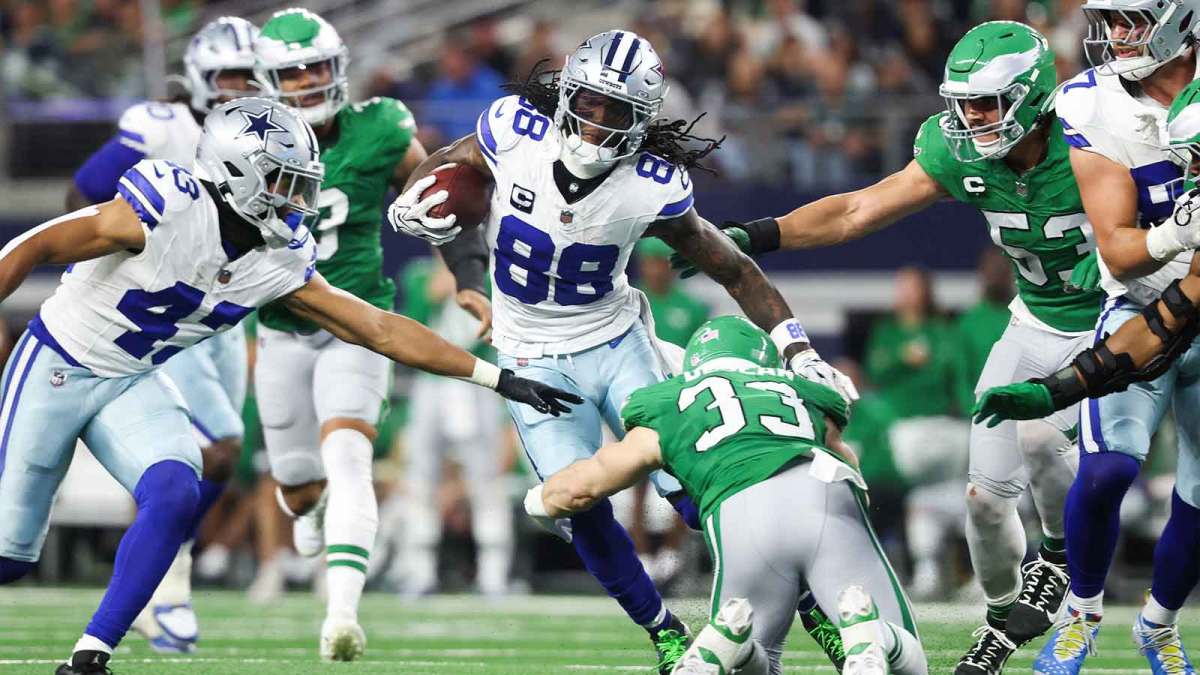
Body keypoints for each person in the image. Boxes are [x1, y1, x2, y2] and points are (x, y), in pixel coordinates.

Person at [0, 97, 576, 675]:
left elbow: (376, 327)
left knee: (176, 490)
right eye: (281, 181)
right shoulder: (169, 206)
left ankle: (90, 656)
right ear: (235, 172)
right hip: (60, 363)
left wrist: (495, 376)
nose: (297, 200)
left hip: (132, 379)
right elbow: (35, 245)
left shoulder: (276, 258)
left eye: (300, 183)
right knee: (9, 557)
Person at [388, 30, 856, 673]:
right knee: (575, 504)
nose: (595, 122)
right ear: (566, 94)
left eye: (616, 112)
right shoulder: (515, 131)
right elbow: (447, 160)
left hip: (616, 340)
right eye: (589, 102)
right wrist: (416, 197)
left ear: (642, 124)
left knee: (696, 486)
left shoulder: (651, 185)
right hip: (530, 354)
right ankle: (663, 630)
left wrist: (797, 349)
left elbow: (736, 269)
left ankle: (811, 606)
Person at [675, 22, 1095, 673]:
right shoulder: (963, 152)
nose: (970, 119)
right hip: (1036, 319)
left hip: (1116, 322)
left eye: (985, 104)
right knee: (983, 504)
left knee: (1041, 440)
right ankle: (1004, 618)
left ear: (1032, 97)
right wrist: (755, 236)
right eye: (961, 104)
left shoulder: (1097, 136)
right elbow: (856, 211)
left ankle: (1064, 558)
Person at [250, 9, 492, 660]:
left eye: (316, 67)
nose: (305, 82)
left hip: (358, 325)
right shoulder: (244, 140)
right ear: (265, 80)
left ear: (339, 69)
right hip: (281, 327)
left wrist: (468, 274)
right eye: (291, 71)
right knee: (300, 483)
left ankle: (342, 614)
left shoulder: (382, 128)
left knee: (349, 458)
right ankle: (307, 510)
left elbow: (438, 198)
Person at [526, 316, 927, 675]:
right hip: (822, 491)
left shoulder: (666, 402)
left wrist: (541, 500)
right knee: (910, 658)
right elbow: (847, 459)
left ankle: (732, 644)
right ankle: (870, 633)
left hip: (738, 511)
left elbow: (584, 488)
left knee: (760, 660)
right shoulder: (802, 388)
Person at [977, 75, 1200, 672]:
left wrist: (1062, 386)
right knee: (1107, 467)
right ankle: (1081, 611)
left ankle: (1157, 626)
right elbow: (1161, 315)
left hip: (1173, 313)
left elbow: (1171, 320)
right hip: (1150, 303)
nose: (1190, 175)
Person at [63, 16, 261, 653]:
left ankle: (159, 580)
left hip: (222, 302)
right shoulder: (163, 125)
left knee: (223, 454)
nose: (238, 86)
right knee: (214, 445)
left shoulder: (271, 128)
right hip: (160, 301)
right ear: (201, 77)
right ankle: (165, 586)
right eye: (227, 74)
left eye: (247, 75)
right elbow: (86, 188)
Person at [399, 256, 513, 597]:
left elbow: (500, 332)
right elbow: (406, 330)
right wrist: (430, 295)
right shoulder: (418, 275)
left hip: (475, 379)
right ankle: (418, 572)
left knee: (486, 479)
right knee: (420, 478)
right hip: (430, 381)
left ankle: (494, 575)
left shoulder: (492, 275)